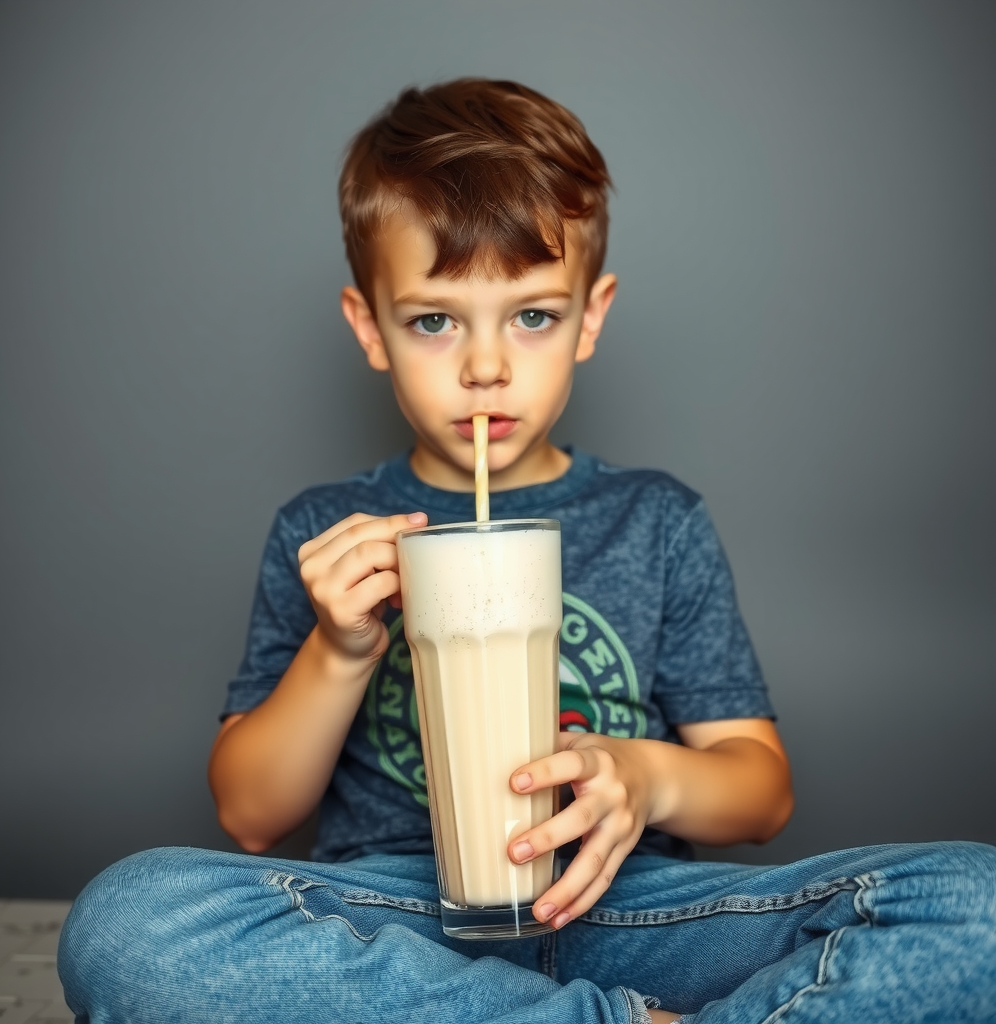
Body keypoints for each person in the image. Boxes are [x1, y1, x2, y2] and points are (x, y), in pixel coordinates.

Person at [58, 78, 995, 1024]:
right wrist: (339, 649)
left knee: (979, 904)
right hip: (403, 923)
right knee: (129, 922)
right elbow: (250, 814)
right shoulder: (328, 527)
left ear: (591, 316)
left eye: (534, 315)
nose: (485, 366)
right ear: (368, 327)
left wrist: (643, 774)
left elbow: (761, 794)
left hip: (629, 911)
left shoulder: (656, 521)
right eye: (434, 320)